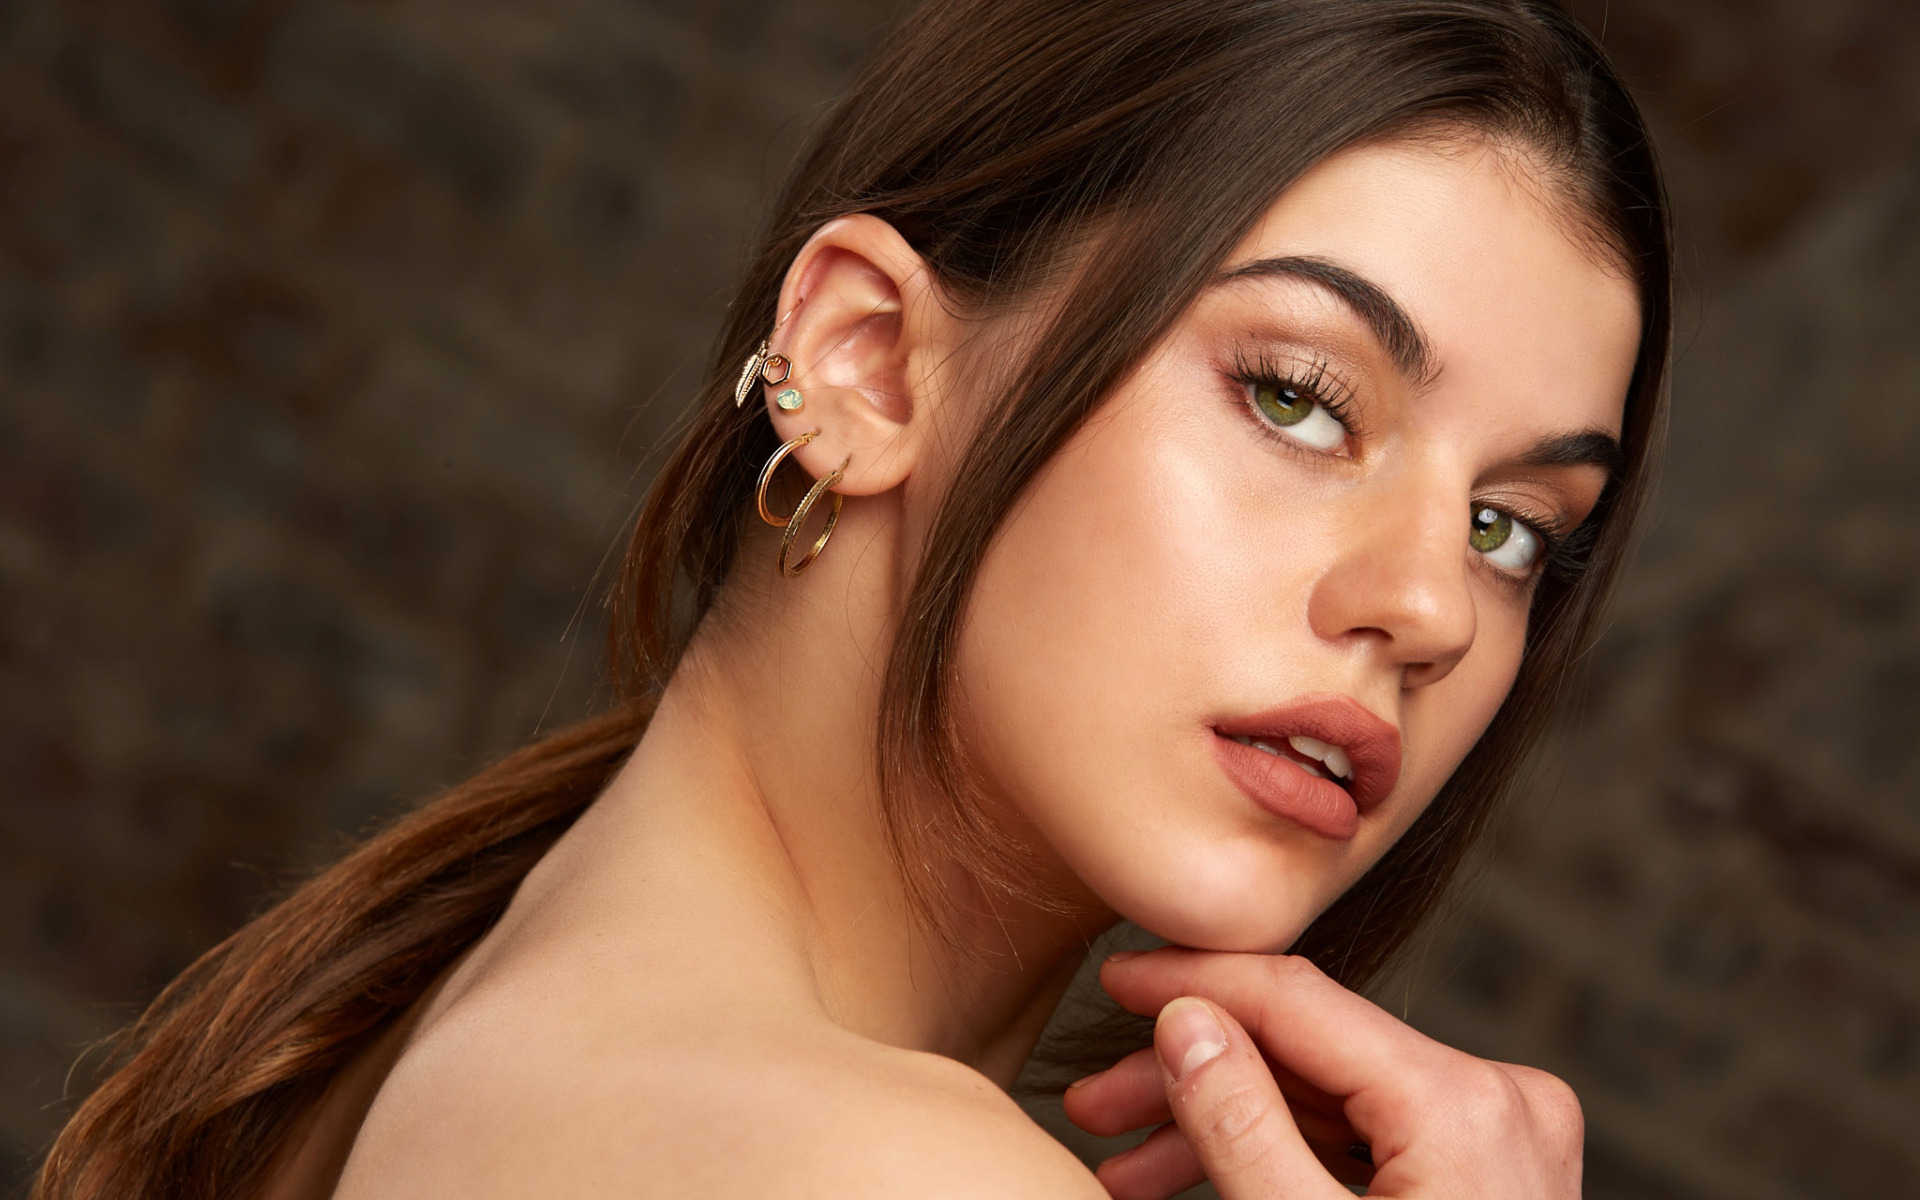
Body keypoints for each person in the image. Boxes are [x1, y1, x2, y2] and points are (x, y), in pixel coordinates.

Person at [34, 0, 1671, 1196]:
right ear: (867, 361)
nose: (1432, 608)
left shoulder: (446, 1022)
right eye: (1299, 400)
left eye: (1511, 528)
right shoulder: (884, 1169)